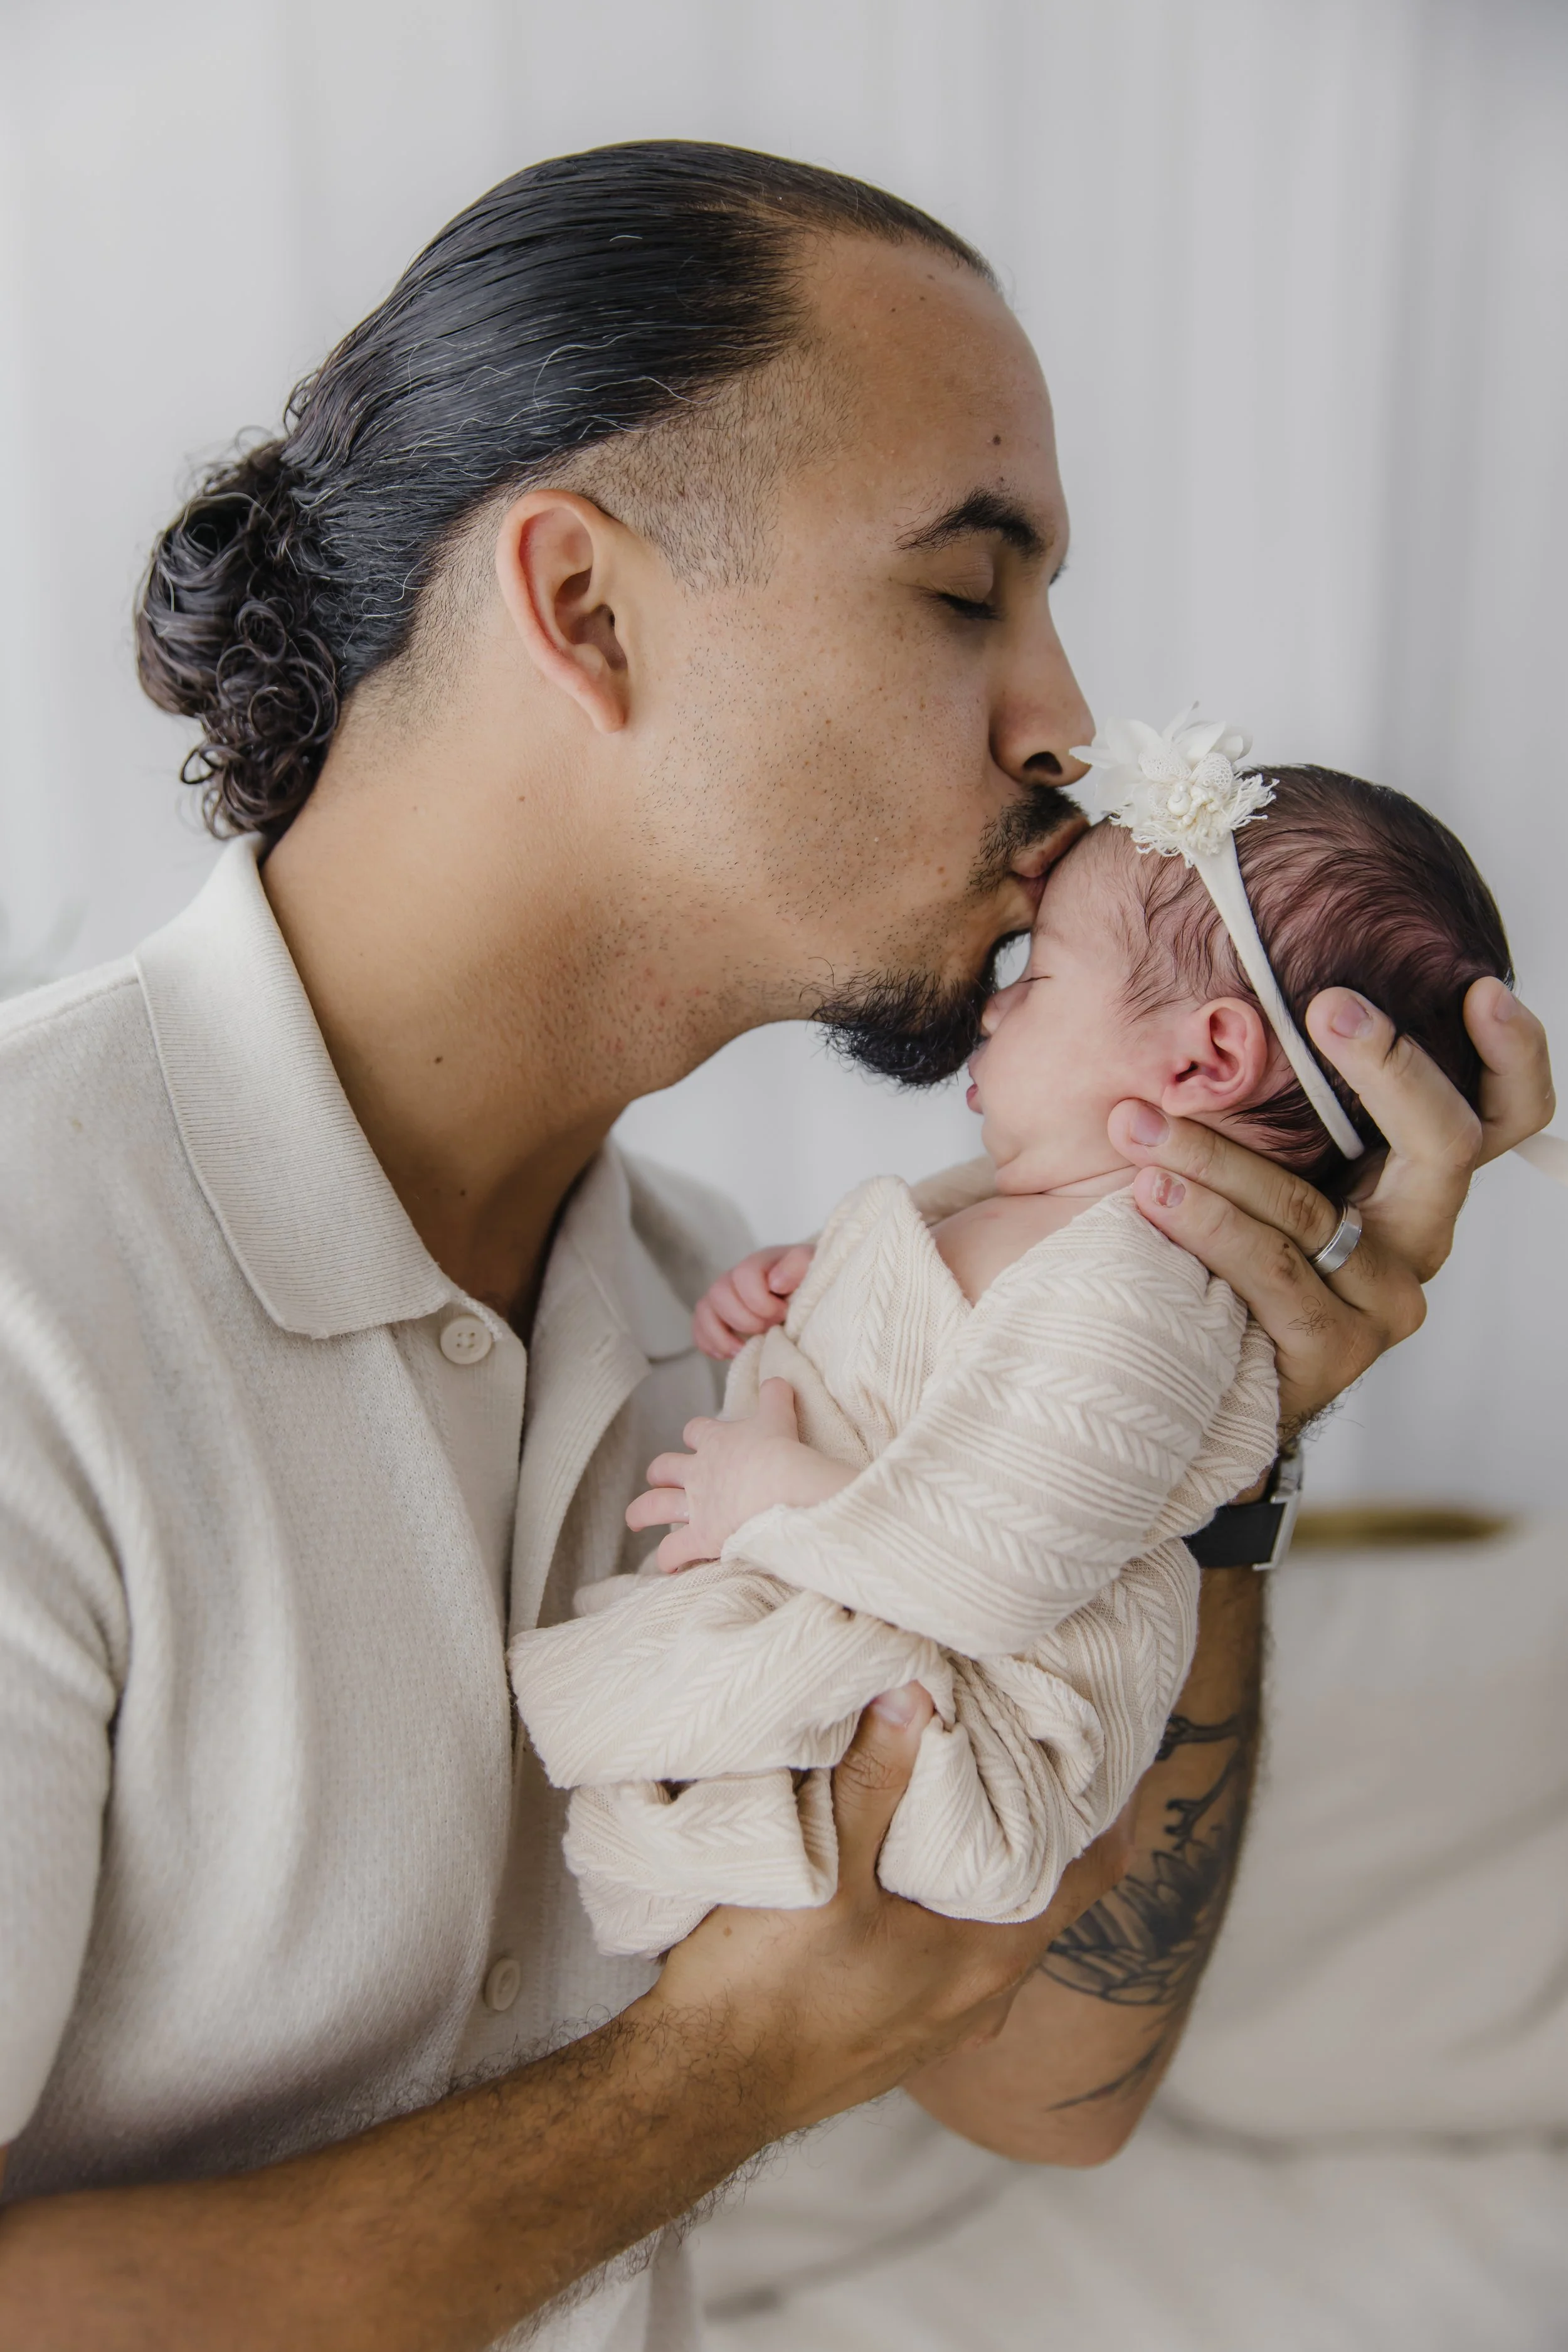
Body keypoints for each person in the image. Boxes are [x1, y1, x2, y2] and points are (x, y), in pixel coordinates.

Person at [0, 141, 1550, 2352]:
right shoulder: (31, 1281)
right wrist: (720, 2072)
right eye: (966, 590)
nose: (1070, 731)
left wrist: (1223, 1436)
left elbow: (1057, 2090)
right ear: (587, 606)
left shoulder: (742, 1302)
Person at [510, 748, 1512, 1959]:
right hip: (857, 1613)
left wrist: (771, 1496)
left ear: (1201, 1061)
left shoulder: (1147, 1289)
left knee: (609, 1720)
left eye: (1036, 974)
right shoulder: (1018, 1202)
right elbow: (909, 1337)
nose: (993, 1004)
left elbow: (996, 1569)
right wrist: (798, 1286)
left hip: (961, 1724)